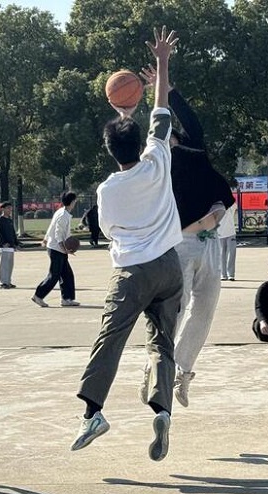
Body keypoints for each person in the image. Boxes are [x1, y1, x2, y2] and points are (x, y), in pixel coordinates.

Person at [71, 26, 182, 462]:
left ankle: (93, 413)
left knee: (111, 337)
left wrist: (124, 109)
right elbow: (161, 114)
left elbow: (110, 231)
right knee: (162, 343)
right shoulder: (158, 159)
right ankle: (162, 409)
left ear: (109, 150)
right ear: (139, 142)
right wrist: (162, 61)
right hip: (169, 267)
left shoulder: (108, 190)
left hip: (133, 270)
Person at [138, 65, 235, 408]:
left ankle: (182, 369)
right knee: (174, 312)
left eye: (169, 135)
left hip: (208, 243)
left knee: (204, 310)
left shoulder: (194, 153)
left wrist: (167, 88)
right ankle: (155, 367)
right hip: (177, 245)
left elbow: (191, 123)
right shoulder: (155, 166)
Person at [31, 191, 80, 307]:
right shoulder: (63, 216)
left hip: (58, 248)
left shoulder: (61, 212)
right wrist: (65, 249)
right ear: (72, 202)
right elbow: (58, 234)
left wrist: (45, 239)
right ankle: (38, 295)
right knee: (54, 275)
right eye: (75, 201)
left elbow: (51, 226)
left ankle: (66, 299)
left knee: (67, 274)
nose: (75, 203)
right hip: (56, 249)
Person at [0, 201, 19, 289]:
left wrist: (16, 243)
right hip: (3, 247)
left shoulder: (9, 220)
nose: (10, 210)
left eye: (10, 208)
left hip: (11, 247)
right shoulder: (0, 220)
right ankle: (3, 283)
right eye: (8, 208)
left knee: (10, 266)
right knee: (3, 266)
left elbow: (13, 233)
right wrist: (3, 243)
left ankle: (8, 282)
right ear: (3, 209)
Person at [219, 201, 237, 281]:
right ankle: (223, 274)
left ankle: (231, 274)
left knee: (231, 253)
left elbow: (234, 203)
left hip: (231, 233)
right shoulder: (217, 207)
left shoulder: (231, 207)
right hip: (220, 234)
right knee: (222, 254)